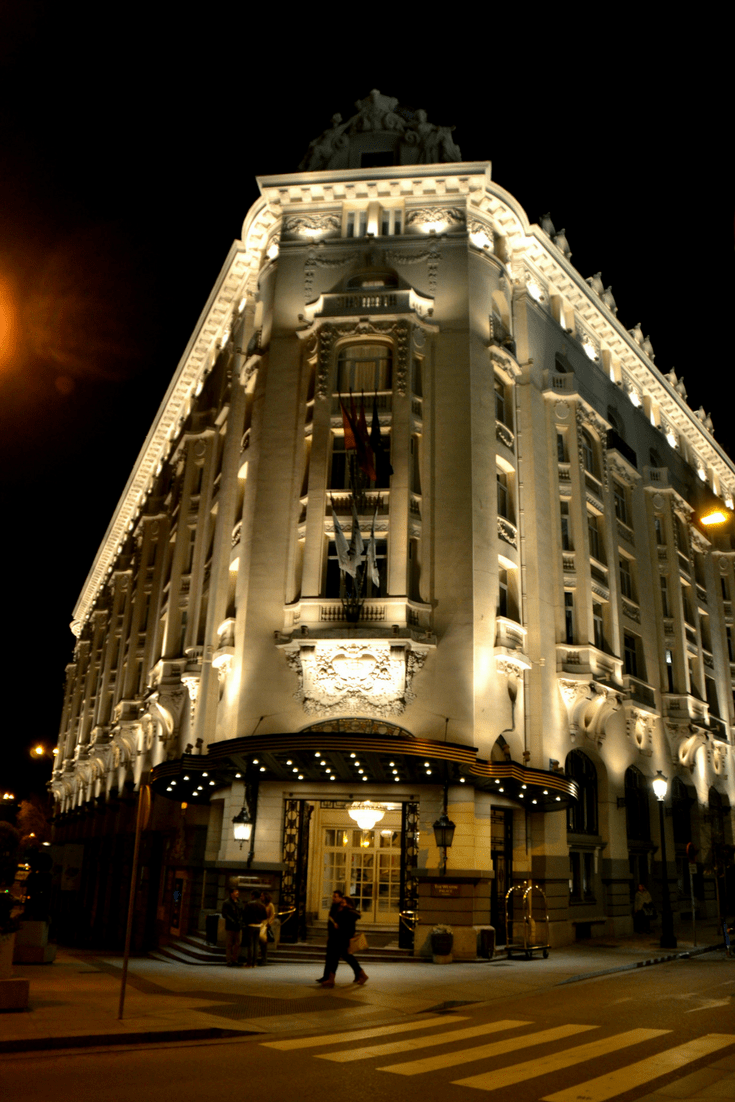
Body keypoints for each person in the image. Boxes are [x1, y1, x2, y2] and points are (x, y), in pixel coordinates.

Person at [319, 892, 368, 987]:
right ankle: (362, 975)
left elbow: (349, 928)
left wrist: (338, 927)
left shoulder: (349, 913)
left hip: (342, 940)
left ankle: (331, 980)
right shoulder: (343, 912)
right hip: (339, 939)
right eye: (341, 903)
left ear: (349, 904)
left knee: (338, 958)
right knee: (346, 958)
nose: (341, 904)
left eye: (343, 902)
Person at [242, 889, 267, 968]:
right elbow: (265, 916)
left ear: (253, 896)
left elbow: (244, 915)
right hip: (258, 926)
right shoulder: (262, 905)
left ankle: (249, 963)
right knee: (256, 945)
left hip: (250, 926)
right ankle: (254, 963)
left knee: (250, 945)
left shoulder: (249, 904)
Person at [221, 886, 243, 967]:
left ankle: (235, 959)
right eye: (235, 892)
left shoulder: (240, 901)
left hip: (238, 926)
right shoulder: (227, 902)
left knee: (238, 943)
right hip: (230, 926)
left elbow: (242, 912)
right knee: (229, 944)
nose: (237, 893)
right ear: (231, 893)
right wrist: (232, 920)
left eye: (238, 892)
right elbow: (224, 914)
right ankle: (229, 960)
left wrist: (240, 920)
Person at [259, 890, 277, 966]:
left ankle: (264, 958)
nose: (261, 897)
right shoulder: (260, 904)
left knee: (263, 943)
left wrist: (269, 923)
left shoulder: (270, 905)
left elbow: (272, 915)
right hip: (259, 924)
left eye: (262, 896)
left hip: (265, 925)